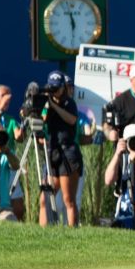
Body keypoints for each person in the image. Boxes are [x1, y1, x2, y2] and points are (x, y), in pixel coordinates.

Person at [40, 71, 81, 227]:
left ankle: (72, 231)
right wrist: (40, 107)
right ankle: (42, 231)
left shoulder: (69, 103)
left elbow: (71, 120)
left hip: (67, 152)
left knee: (68, 199)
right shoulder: (47, 103)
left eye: (57, 88)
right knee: (45, 198)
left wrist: (54, 106)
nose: (55, 91)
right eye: (52, 88)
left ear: (63, 87)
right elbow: (42, 120)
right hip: (52, 151)